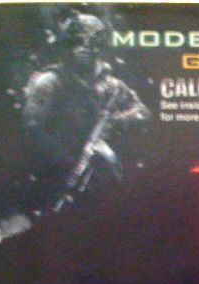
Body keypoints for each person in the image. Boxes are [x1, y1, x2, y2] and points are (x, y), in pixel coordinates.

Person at [22, 11, 149, 211]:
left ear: (100, 47)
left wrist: (117, 121)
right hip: (57, 174)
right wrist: (64, 161)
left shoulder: (111, 84)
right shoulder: (50, 82)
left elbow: (143, 112)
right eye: (77, 42)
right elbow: (32, 130)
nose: (83, 48)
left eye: (90, 43)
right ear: (67, 46)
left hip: (98, 178)